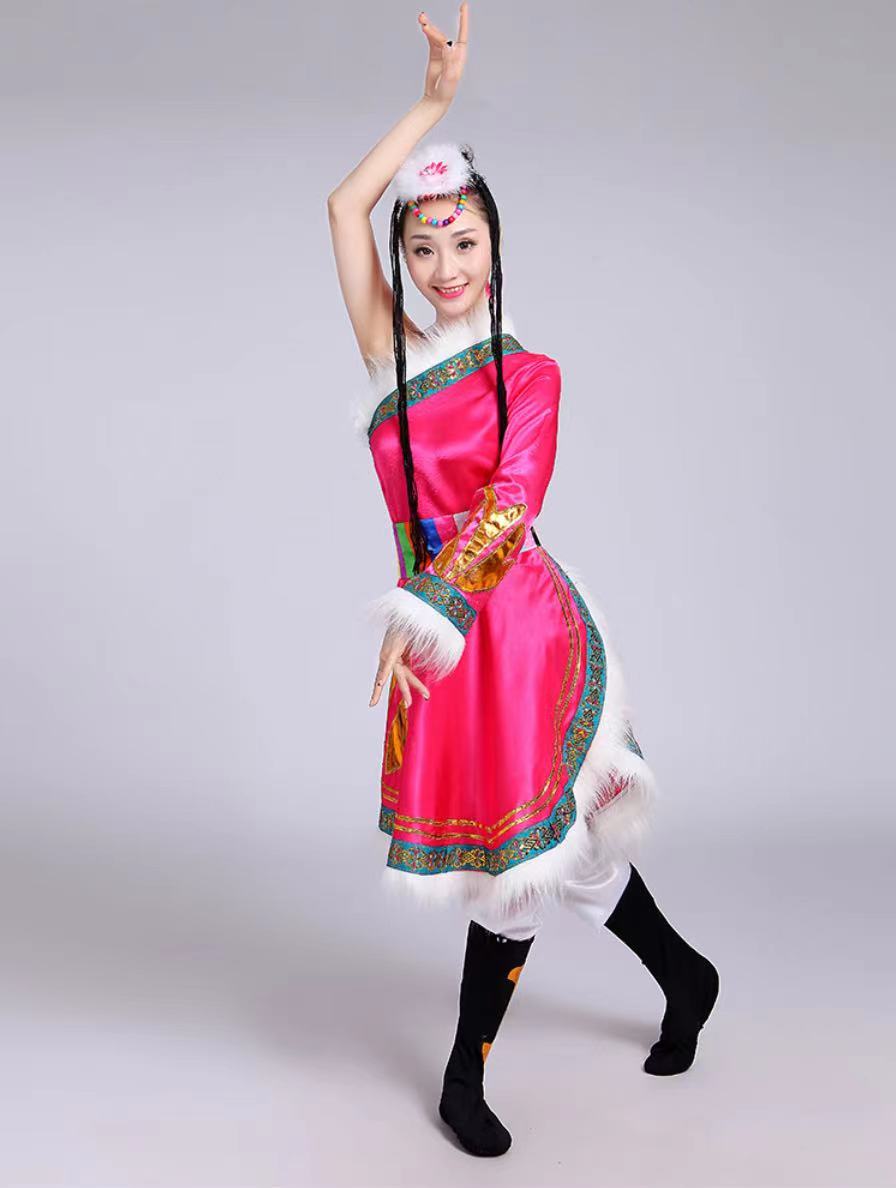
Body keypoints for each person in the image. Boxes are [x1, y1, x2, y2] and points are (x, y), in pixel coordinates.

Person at [327, 3, 718, 1159]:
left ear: (495, 247)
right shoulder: (387, 357)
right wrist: (430, 108)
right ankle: (686, 976)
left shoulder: (530, 375)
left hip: (519, 634)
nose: (445, 268)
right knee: (575, 855)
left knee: (515, 871)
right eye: (422, 248)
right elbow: (343, 207)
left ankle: (463, 1079)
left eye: (464, 243)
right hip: (443, 640)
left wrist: (420, 613)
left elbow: (508, 507)